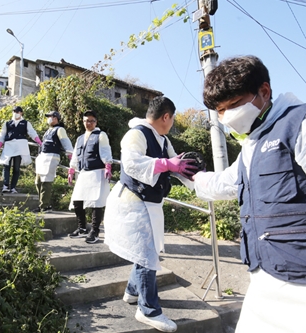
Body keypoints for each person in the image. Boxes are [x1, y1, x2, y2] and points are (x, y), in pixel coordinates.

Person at [193, 55, 306, 333]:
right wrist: (186, 173)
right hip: (265, 283)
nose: (226, 117)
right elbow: (224, 183)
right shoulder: (252, 146)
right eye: (220, 111)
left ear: (264, 92)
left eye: (233, 105)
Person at [103, 96, 199, 332]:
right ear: (166, 117)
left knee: (146, 251)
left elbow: (177, 165)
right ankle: (148, 310)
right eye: (173, 118)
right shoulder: (136, 134)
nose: (173, 122)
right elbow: (132, 164)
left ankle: (133, 291)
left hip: (150, 204)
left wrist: (200, 180)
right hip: (133, 202)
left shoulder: (163, 139)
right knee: (148, 255)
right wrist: (168, 165)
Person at [67, 110, 113, 244]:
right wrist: (71, 169)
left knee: (96, 203)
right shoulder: (80, 138)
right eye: (86, 121)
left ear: (96, 122)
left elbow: (105, 150)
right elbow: (76, 155)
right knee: (77, 201)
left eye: (91, 121)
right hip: (84, 172)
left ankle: (95, 231)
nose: (88, 123)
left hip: (97, 172)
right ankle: (82, 228)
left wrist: (108, 166)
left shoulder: (101, 135)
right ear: (83, 122)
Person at [0, 106, 42, 193]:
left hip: (20, 147)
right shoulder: (7, 123)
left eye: (17, 111)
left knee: (16, 168)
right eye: (14, 111)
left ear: (21, 113)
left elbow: (32, 132)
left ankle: (13, 187)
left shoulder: (25, 123)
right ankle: (5, 186)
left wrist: (39, 142)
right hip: (9, 145)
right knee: (6, 165)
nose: (15, 113)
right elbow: (2, 135)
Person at [33, 111, 73, 213]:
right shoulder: (48, 130)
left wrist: (71, 157)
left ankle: (44, 206)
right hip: (43, 156)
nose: (49, 118)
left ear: (56, 118)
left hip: (52, 157)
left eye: (50, 116)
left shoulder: (60, 130)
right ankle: (42, 203)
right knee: (38, 182)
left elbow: (66, 143)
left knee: (46, 182)